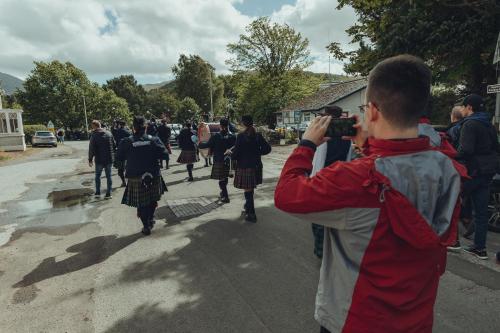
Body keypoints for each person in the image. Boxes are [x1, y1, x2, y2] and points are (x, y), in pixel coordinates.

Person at [275, 55, 467, 333]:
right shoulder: (447, 167)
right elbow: (403, 168)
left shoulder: (356, 178)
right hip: (417, 319)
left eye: (365, 108)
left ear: (373, 111)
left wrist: (306, 144)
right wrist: (368, 147)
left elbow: (287, 194)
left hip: (357, 319)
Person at [456, 94, 500, 259]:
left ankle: (452, 241)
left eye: (463, 106)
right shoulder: (488, 124)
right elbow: (496, 146)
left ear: (469, 107)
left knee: (452, 203)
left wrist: (452, 155)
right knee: (481, 213)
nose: (461, 109)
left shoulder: (470, 124)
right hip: (487, 171)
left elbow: (465, 150)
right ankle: (480, 248)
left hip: (472, 171)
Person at [310, 105, 352, 260]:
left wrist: (313, 181)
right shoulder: (345, 133)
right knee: (335, 217)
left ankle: (321, 250)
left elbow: (318, 161)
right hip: (340, 179)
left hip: (323, 179)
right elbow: (348, 158)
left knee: (318, 218)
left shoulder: (324, 134)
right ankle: (334, 249)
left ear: (328, 116)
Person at [116, 116, 168, 235]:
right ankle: (150, 219)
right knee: (152, 200)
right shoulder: (154, 139)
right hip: (153, 175)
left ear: (133, 128)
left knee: (142, 203)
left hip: (135, 177)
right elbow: (165, 155)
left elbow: (118, 159)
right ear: (145, 128)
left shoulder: (126, 142)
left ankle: (146, 226)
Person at [231, 115, 271, 223]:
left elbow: (235, 155)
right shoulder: (258, 135)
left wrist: (230, 153)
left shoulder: (240, 136)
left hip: (245, 167)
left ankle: (251, 214)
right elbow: (268, 149)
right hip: (256, 166)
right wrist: (257, 153)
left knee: (248, 191)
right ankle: (248, 207)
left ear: (243, 124)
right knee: (250, 189)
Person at [199, 118, 236, 203]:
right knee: (225, 177)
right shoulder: (233, 136)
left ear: (220, 125)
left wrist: (199, 143)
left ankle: (225, 196)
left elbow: (207, 145)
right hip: (230, 160)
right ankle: (223, 193)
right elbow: (236, 147)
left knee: (221, 180)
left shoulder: (216, 136)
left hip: (219, 160)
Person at [88, 120, 115, 199]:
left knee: (97, 176)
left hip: (99, 159)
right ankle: (109, 193)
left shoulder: (94, 135)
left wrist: (90, 159)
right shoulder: (109, 133)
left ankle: (98, 192)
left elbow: (91, 148)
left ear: (94, 126)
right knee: (109, 176)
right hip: (109, 158)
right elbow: (114, 144)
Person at [112, 120, 132, 187]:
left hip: (120, 151)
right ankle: (129, 181)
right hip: (128, 151)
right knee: (129, 167)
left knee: (120, 170)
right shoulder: (128, 132)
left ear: (120, 125)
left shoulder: (117, 131)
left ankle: (124, 182)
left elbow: (113, 132)